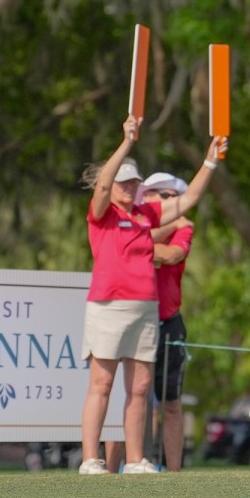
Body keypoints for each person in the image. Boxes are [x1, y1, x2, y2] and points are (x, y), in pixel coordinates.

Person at [77, 116, 225, 475]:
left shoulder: (146, 214)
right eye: (124, 182)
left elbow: (189, 198)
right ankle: (90, 460)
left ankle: (135, 459)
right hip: (109, 304)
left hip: (146, 307)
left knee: (141, 387)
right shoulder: (102, 214)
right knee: (102, 382)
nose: (129, 187)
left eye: (134, 182)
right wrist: (126, 142)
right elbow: (102, 187)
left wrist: (210, 161)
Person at [104, 172, 194, 473]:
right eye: (158, 195)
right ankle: (110, 468)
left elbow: (172, 254)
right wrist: (149, 239)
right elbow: (125, 247)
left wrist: (140, 247)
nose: (166, 201)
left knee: (170, 402)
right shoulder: (140, 221)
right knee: (127, 396)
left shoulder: (184, 228)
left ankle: (174, 472)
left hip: (168, 321)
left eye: (169, 196)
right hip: (132, 315)